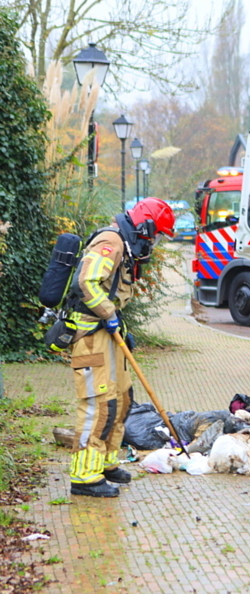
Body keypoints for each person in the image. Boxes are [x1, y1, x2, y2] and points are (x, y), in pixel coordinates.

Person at [67, 198, 175, 498]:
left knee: (122, 400)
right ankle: (85, 477)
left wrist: (116, 323)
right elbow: (87, 282)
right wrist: (109, 314)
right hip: (91, 335)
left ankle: (105, 462)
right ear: (145, 226)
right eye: (156, 234)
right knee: (99, 405)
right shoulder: (110, 242)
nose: (155, 241)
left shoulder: (126, 246)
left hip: (108, 332)